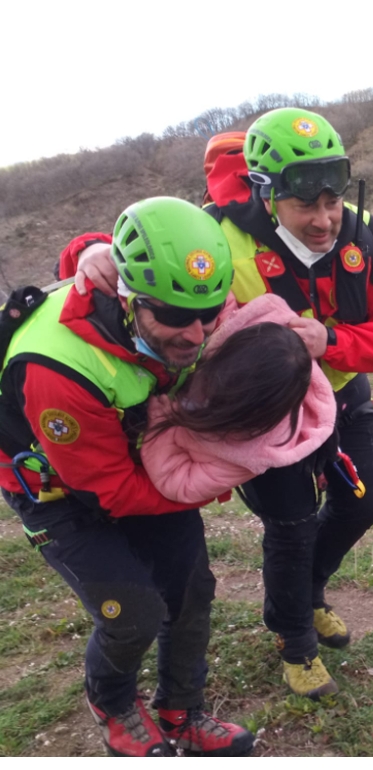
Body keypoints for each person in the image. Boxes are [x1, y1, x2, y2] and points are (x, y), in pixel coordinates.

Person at [69, 107, 373, 699]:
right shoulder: (219, 235)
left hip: (338, 391)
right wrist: (87, 252)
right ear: (265, 192)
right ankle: (293, 637)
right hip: (261, 412)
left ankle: (306, 595)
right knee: (291, 525)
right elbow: (143, 252)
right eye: (305, 206)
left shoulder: (362, 231)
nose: (324, 220)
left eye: (333, 201)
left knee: (367, 500)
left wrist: (333, 341)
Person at [0, 197, 255, 757]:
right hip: (59, 489)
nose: (195, 334)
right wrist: (205, 484)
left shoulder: (192, 301)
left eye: (208, 313)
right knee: (132, 611)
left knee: (191, 591)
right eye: (172, 316)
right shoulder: (56, 366)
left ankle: (181, 710)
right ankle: (113, 702)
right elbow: (107, 491)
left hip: (141, 459)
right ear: (127, 297)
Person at [140, 294, 336, 504]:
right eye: (214, 378)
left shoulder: (251, 452)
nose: (208, 390)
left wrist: (159, 423)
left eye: (221, 398)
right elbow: (215, 298)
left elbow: (180, 484)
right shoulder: (237, 326)